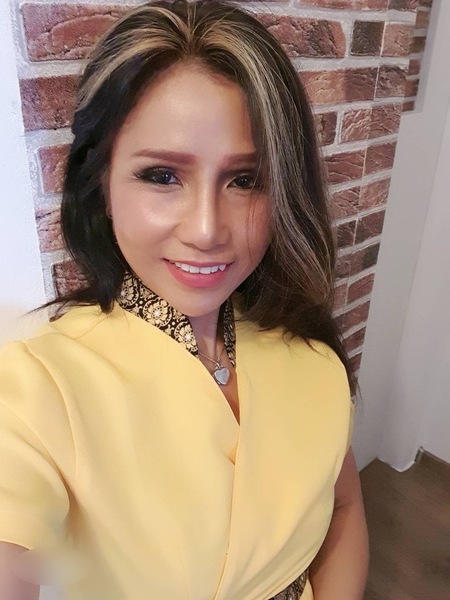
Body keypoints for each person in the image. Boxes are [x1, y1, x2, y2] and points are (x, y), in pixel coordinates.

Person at [0, 1, 369, 598]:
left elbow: (344, 507)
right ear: (101, 185)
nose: (205, 229)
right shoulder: (36, 387)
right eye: (162, 176)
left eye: (245, 180)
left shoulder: (306, 349)